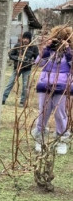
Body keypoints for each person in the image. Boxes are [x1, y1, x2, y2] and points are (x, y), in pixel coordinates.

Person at [31, 25, 72, 155]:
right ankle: (40, 138)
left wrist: (68, 50)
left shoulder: (70, 52)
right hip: (44, 85)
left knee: (60, 113)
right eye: (56, 39)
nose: (59, 41)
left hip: (63, 87)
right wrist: (47, 48)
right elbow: (39, 63)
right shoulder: (49, 51)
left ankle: (62, 139)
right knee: (43, 112)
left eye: (62, 39)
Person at [2, 31, 39, 106]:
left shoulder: (34, 47)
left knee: (25, 85)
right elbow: (10, 55)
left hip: (27, 69)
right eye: (24, 38)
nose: (25, 40)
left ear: (30, 39)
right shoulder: (18, 45)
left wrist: (28, 60)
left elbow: (37, 59)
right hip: (17, 68)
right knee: (10, 83)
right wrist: (18, 58)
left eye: (27, 39)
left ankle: (22, 102)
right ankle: (3, 99)